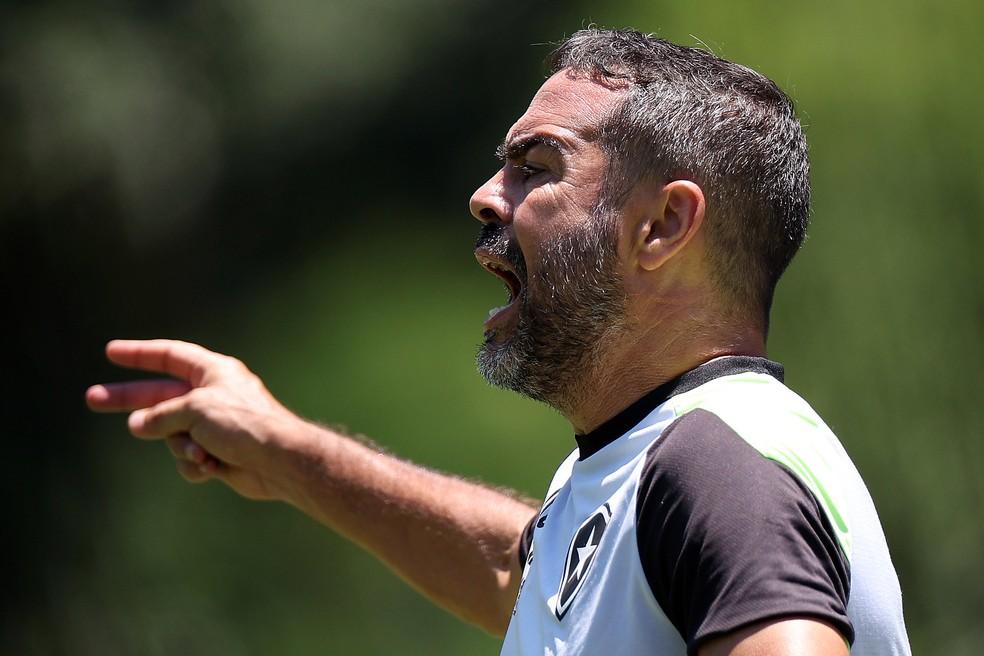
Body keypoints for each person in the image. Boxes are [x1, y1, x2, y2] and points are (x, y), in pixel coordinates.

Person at [87, 28, 911, 656]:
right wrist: (286, 451)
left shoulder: (718, 470)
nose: (486, 197)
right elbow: (528, 576)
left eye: (536, 165)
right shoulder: (647, 471)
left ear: (661, 226)